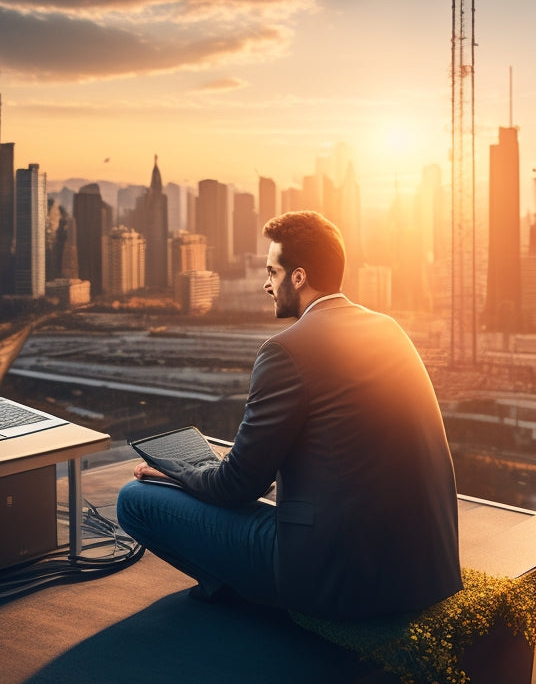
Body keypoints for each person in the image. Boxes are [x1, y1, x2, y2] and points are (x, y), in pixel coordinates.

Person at [116, 210, 462, 620]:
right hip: (424, 571)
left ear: (298, 277)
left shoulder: (285, 350)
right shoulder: (390, 329)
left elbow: (237, 486)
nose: (266, 284)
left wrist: (175, 471)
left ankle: (241, 590)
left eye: (272, 272)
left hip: (339, 577)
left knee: (135, 500)